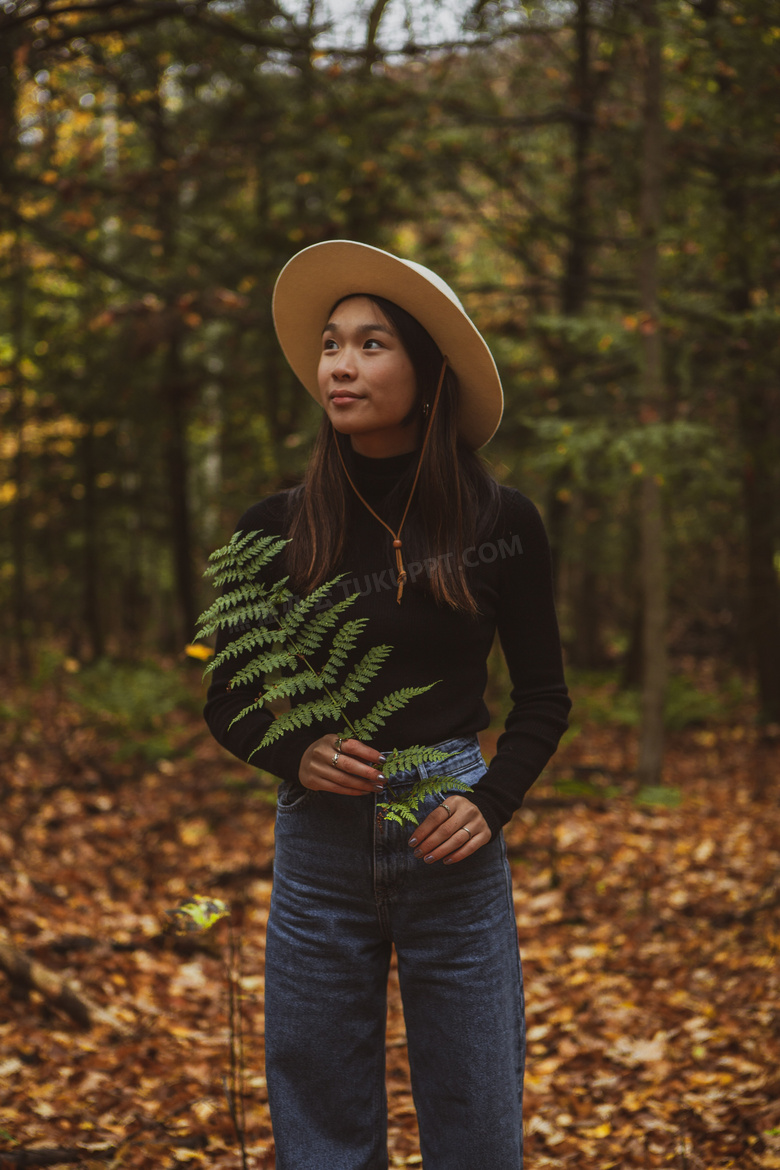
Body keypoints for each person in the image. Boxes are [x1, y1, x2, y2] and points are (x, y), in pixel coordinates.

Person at [204, 240, 571, 1170]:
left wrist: (489, 805)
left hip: (451, 833)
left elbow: (544, 698)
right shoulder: (275, 528)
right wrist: (294, 754)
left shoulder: (501, 522)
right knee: (320, 1128)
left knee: (480, 1125)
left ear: (426, 368)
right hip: (319, 844)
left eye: (372, 344)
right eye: (332, 344)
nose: (340, 363)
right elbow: (228, 696)